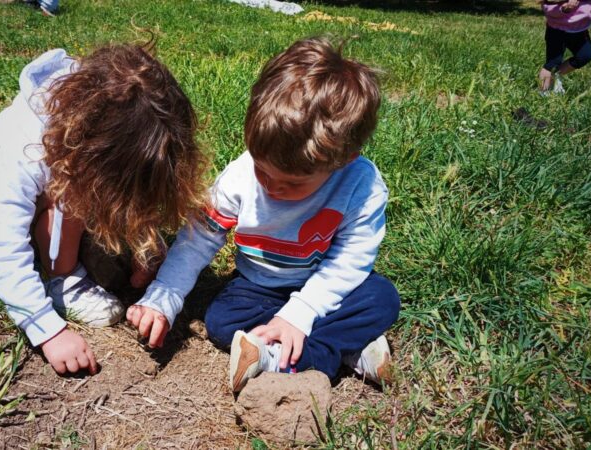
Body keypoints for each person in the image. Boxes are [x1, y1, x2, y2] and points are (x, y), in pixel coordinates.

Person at [126, 37, 400, 393]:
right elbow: (197, 240)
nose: (271, 187)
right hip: (261, 286)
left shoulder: (361, 186)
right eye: (262, 170)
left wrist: (300, 313)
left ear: (343, 159)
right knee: (221, 320)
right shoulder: (240, 177)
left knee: (381, 297)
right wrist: (164, 296)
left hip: (328, 285)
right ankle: (348, 343)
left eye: (292, 183)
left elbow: (349, 262)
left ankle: (293, 357)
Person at [0, 44, 208, 375]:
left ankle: (113, 240)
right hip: (47, 207)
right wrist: (47, 330)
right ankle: (64, 279)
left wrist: (143, 238)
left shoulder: (100, 116)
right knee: (68, 192)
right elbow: (3, 248)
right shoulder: (14, 154)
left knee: (101, 190)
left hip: (82, 181)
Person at [538, 0, 591, 94]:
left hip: (580, 31)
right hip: (557, 30)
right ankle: (543, 93)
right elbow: (547, 6)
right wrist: (564, 9)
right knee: (552, 63)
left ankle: (556, 76)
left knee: (585, 56)